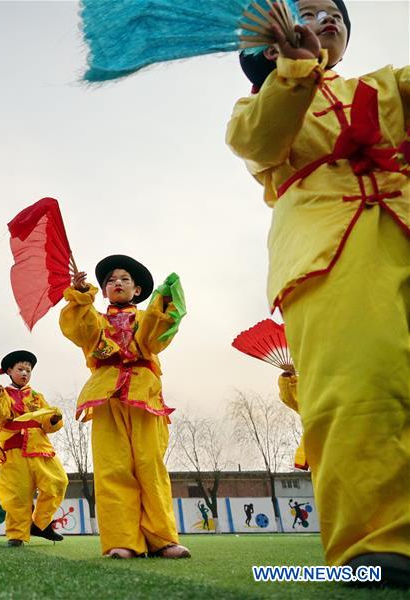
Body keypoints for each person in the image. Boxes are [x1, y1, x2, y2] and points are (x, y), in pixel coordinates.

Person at [227, 0, 409, 584]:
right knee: (362, 385)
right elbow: (259, 142)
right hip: (329, 250)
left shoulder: (389, 85)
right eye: (306, 10)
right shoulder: (256, 107)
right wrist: (296, 72)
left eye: (333, 12)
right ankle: (377, 545)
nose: (324, 17)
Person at [60, 255, 189, 559]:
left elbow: (155, 340)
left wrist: (166, 302)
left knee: (150, 465)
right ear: (103, 291)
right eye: (109, 281)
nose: (116, 283)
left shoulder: (146, 317)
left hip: (143, 393)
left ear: (138, 288)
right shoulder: (96, 320)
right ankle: (123, 541)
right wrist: (79, 297)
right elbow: (80, 332)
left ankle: (163, 539)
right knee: (112, 468)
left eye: (124, 279)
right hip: (106, 395)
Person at [0, 350, 68, 547]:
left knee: (58, 482)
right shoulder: (3, 393)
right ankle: (16, 535)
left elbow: (47, 422)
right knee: (17, 494)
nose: (25, 373)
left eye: (28, 371)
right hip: (14, 450)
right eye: (20, 369)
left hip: (40, 448)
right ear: (9, 371)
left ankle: (40, 524)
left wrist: (54, 419)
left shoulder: (37, 397)